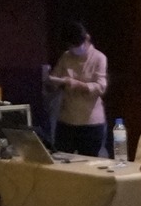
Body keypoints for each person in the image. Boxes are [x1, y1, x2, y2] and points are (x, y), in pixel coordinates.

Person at [44, 19, 108, 155]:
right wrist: (51, 81)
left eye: (77, 45)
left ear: (87, 38)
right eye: (71, 46)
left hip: (91, 123)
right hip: (66, 121)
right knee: (61, 159)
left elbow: (100, 87)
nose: (74, 49)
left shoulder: (99, 58)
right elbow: (54, 80)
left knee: (89, 163)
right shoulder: (66, 57)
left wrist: (76, 84)